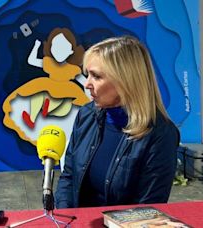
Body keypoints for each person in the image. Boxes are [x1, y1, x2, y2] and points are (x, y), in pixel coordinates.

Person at [55, 36, 180, 208]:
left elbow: (148, 209)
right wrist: (66, 219)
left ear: (125, 81)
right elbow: (68, 176)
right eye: (87, 75)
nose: (87, 84)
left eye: (96, 76)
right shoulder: (86, 114)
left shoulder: (161, 135)